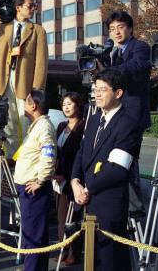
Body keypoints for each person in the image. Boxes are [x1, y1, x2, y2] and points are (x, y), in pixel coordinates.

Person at [70, 69, 140, 270]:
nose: (96, 94)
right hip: (85, 200)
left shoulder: (127, 123)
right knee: (91, 259)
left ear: (118, 93)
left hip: (109, 203)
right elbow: (81, 154)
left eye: (102, 90)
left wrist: (87, 189)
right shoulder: (93, 120)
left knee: (109, 260)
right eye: (95, 89)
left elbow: (117, 169)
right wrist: (75, 182)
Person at [0, 0, 47, 159]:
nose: (33, 8)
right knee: (8, 128)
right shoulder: (3, 28)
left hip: (26, 86)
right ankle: (11, 164)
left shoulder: (38, 31)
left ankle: (29, 165)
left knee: (28, 127)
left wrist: (37, 93)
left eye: (34, 6)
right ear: (18, 7)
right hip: (3, 84)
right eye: (30, 5)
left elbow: (41, 65)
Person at [104, 10, 152, 215]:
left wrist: (108, 72)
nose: (116, 32)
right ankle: (119, 200)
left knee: (127, 156)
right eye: (112, 29)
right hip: (115, 113)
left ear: (130, 28)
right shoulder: (112, 53)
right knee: (112, 156)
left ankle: (135, 208)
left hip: (133, 114)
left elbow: (135, 66)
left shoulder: (140, 47)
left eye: (120, 27)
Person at [13, 89, 56, 271]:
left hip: (34, 189)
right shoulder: (37, 125)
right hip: (29, 188)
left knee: (33, 235)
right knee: (36, 233)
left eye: (26, 101)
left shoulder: (44, 127)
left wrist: (40, 180)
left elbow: (49, 155)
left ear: (34, 105)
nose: (23, 105)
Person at [54, 92, 85, 266]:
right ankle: (63, 248)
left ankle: (75, 251)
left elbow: (77, 156)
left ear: (78, 105)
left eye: (69, 104)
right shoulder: (60, 126)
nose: (66, 107)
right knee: (61, 216)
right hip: (57, 178)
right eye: (64, 104)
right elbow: (57, 153)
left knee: (73, 217)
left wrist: (66, 176)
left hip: (73, 177)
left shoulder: (84, 126)